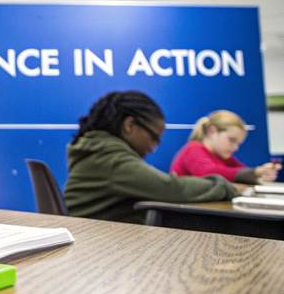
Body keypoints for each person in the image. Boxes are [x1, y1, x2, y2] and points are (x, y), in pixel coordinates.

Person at [64, 91, 239, 224]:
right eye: (153, 137)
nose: (154, 147)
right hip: (102, 248)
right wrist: (222, 186)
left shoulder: (98, 150)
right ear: (129, 125)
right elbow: (170, 188)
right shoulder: (109, 158)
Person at [170, 110, 281, 184]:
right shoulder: (192, 150)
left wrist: (262, 174)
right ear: (211, 131)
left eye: (238, 144)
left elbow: (242, 171)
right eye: (231, 140)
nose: (235, 148)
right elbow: (209, 173)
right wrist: (255, 172)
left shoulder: (222, 156)